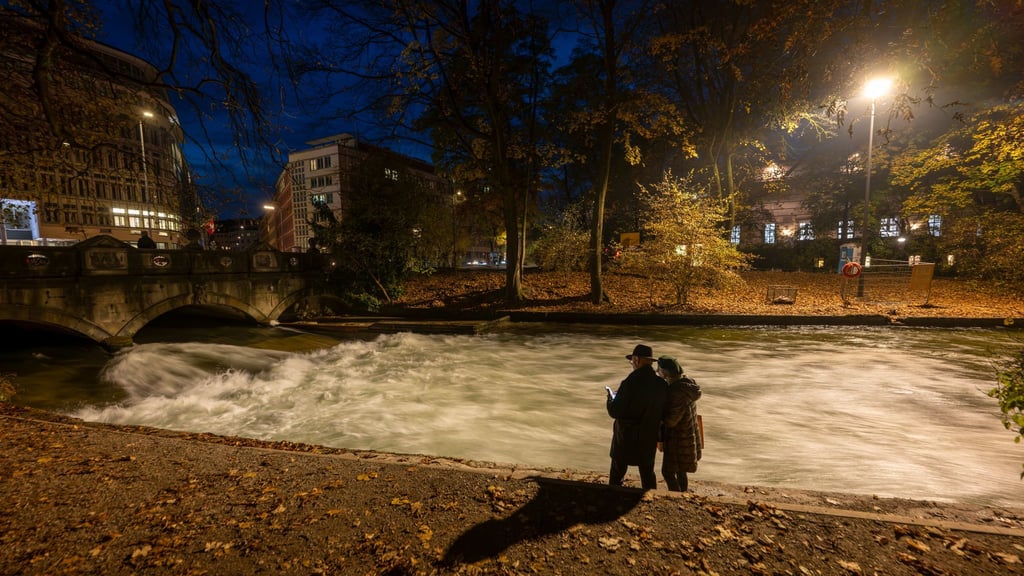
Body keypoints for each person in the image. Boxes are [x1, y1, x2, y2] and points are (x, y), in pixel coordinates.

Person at [606, 344, 668, 490]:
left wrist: (610, 399)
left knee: (617, 470)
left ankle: (611, 494)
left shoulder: (629, 383)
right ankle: (650, 495)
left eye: (632, 361)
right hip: (649, 435)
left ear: (636, 360)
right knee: (647, 472)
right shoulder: (661, 384)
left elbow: (615, 411)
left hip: (626, 436)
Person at [657, 356, 702, 492]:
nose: (657, 372)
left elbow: (671, 421)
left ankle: (676, 497)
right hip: (688, 435)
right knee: (682, 470)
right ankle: (683, 493)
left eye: (658, 370)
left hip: (678, 439)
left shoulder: (676, 392)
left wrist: (658, 418)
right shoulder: (687, 385)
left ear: (664, 372)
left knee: (668, 472)